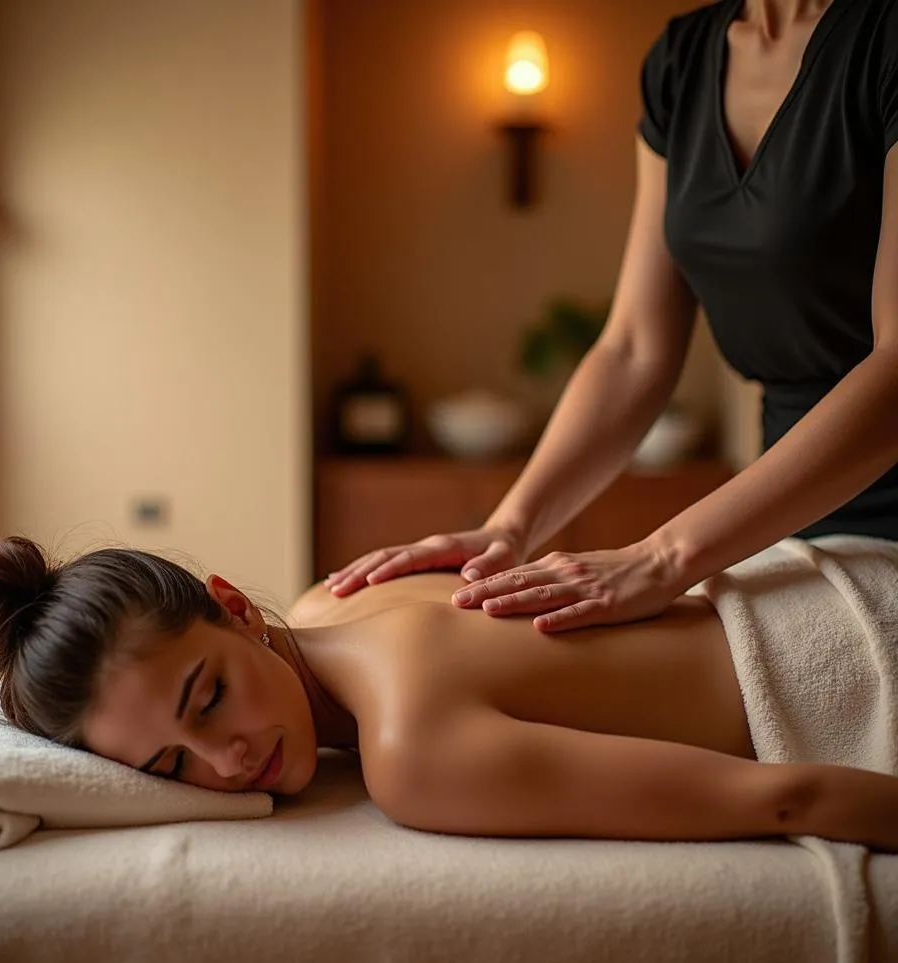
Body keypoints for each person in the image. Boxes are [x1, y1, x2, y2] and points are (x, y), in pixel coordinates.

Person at [325, 0, 898, 635]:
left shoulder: (886, 36)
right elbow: (633, 350)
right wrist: (509, 527)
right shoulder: (683, 61)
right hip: (783, 524)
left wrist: (662, 558)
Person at [0, 535, 898, 850]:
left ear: (231, 606)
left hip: (858, 662)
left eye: (209, 697)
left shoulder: (411, 752)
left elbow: (781, 797)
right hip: (826, 568)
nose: (225, 761)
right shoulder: (342, 592)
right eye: (167, 766)